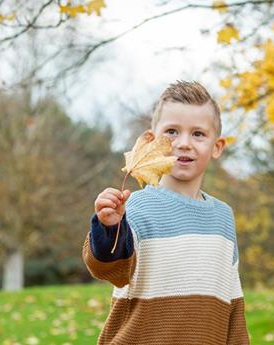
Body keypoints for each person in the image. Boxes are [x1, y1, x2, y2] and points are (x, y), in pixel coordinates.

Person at [82, 80, 250, 344]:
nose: (184, 143)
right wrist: (110, 228)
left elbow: (233, 302)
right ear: (151, 140)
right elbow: (112, 271)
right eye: (171, 132)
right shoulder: (135, 208)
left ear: (217, 146)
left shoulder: (223, 217)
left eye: (198, 134)